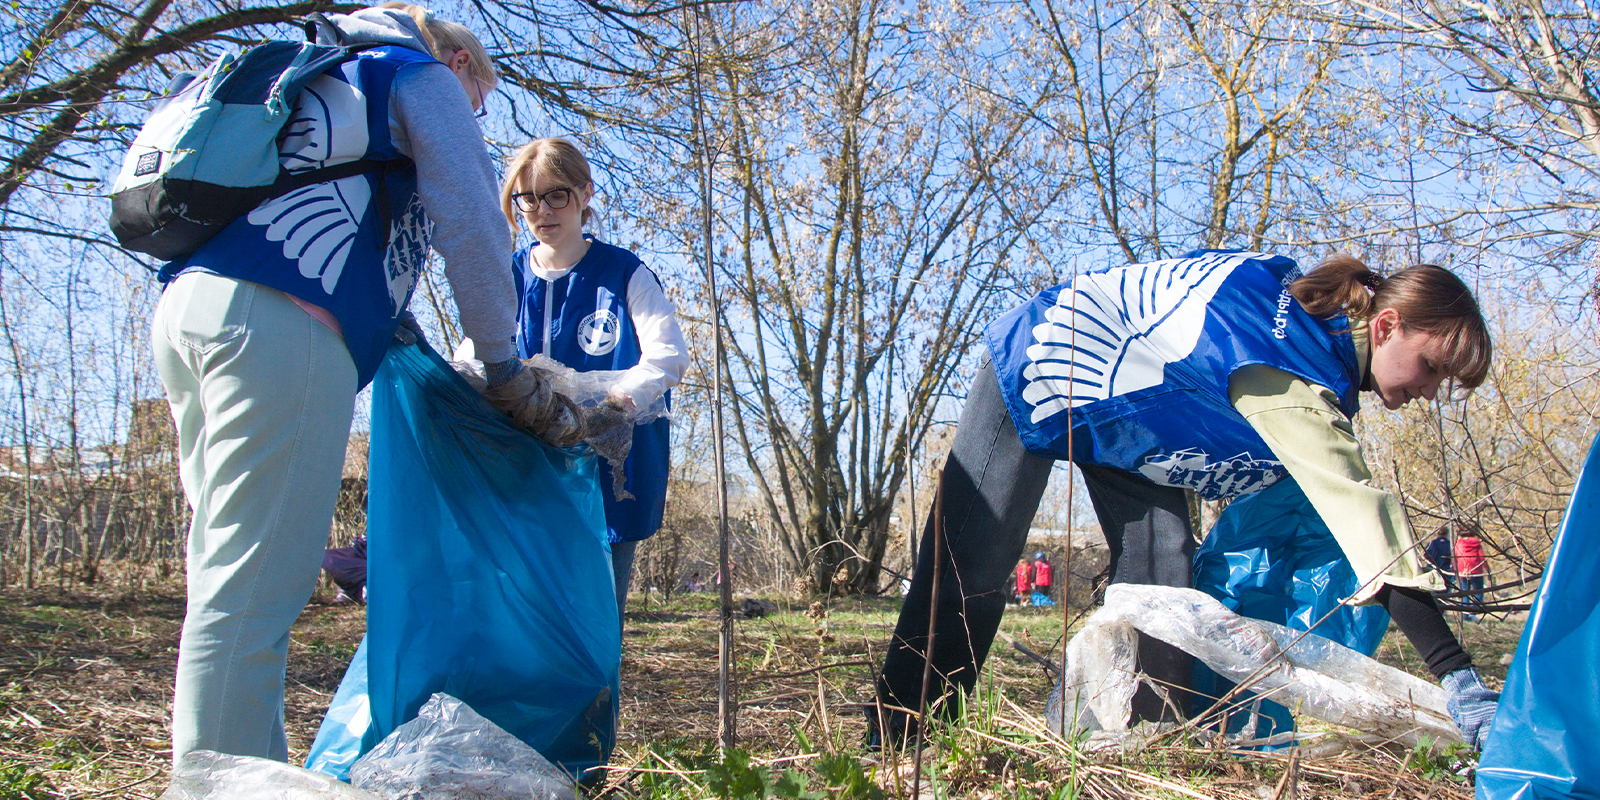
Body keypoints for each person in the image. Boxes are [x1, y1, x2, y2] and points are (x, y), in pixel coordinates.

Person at [871, 250, 1502, 751]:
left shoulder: (1310, 332)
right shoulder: (1290, 368)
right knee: (971, 563)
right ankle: (902, 742)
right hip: (1044, 363)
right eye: (1430, 368)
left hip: (1139, 424)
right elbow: (1370, 531)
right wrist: (1456, 676)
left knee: (1163, 574)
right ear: (1387, 325)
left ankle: (1143, 746)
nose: (1429, 390)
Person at [152, 3, 533, 763]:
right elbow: (473, 224)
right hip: (281, 330)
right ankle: (215, 785)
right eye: (479, 104)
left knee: (229, 575)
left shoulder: (324, 79)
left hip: (190, 311)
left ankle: (251, 772)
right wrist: (504, 367)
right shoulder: (415, 74)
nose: (474, 117)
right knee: (253, 590)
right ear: (460, 68)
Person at [497, 138, 689, 623]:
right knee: (527, 613)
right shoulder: (508, 276)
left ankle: (598, 698)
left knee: (597, 614)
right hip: (523, 465)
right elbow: (476, 355)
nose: (541, 210)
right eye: (528, 198)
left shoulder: (623, 272)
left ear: (585, 193)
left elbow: (667, 355)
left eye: (555, 195)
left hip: (608, 465)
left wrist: (617, 403)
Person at [1454, 524, 1490, 614]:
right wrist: (1488, 570)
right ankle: (1475, 610)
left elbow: (1455, 557)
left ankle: (1465, 612)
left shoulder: (1458, 544)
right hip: (1476, 571)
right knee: (1479, 590)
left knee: (1464, 591)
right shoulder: (1477, 543)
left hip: (1463, 571)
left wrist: (1454, 570)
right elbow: (1482, 557)